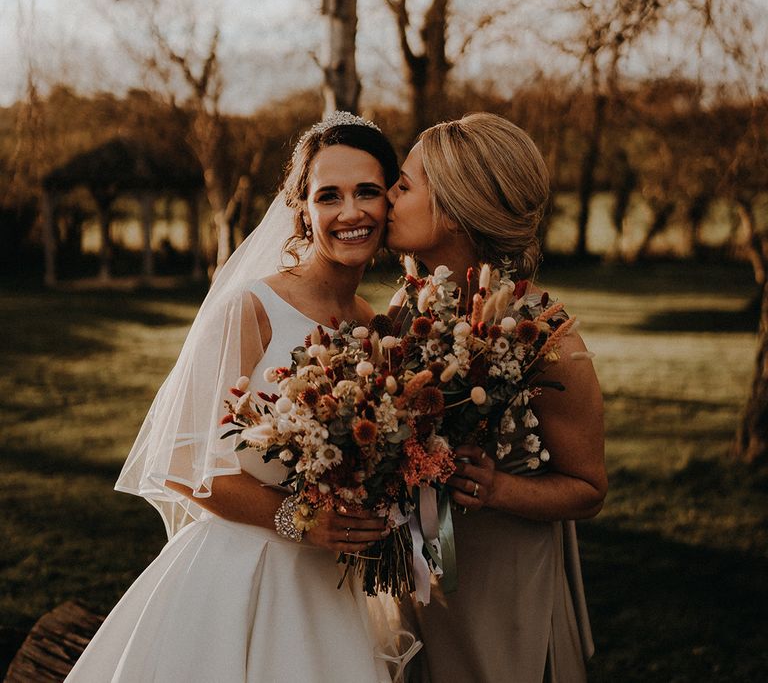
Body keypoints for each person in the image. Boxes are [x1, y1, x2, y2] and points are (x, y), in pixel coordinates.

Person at [65, 112, 417, 683]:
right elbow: (179, 462)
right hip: (239, 578)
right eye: (329, 196)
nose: (350, 213)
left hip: (331, 587)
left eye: (367, 192)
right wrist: (299, 520)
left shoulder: (375, 328)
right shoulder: (253, 308)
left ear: (389, 203)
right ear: (302, 209)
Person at [385, 112, 607, 683]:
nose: (388, 195)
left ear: (455, 210)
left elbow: (588, 490)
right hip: (417, 577)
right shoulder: (404, 310)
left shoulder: (549, 341)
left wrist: (501, 488)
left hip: (503, 584)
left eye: (404, 185)